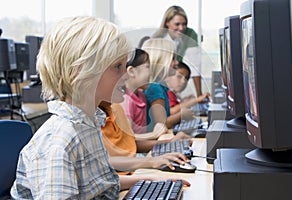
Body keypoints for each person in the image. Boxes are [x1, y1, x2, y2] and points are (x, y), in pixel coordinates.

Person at [10, 16, 189, 199]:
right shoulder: (59, 143)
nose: (126, 75)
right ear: (81, 72)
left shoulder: (88, 122)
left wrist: (149, 181)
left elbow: (99, 186)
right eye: (117, 66)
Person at [99, 101, 192, 174]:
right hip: (121, 179)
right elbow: (104, 162)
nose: (126, 78)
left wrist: (170, 143)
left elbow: (130, 143)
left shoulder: (115, 107)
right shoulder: (88, 120)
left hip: (133, 172)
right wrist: (151, 162)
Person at [152, 5, 207, 97]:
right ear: (167, 23)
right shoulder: (158, 39)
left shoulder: (189, 34)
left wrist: (199, 95)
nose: (181, 28)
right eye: (177, 24)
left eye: (184, 24)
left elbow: (195, 65)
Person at [141, 38, 194, 131]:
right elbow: (163, 124)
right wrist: (181, 115)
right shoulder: (155, 88)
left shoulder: (160, 86)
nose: (176, 63)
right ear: (160, 60)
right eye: (172, 58)